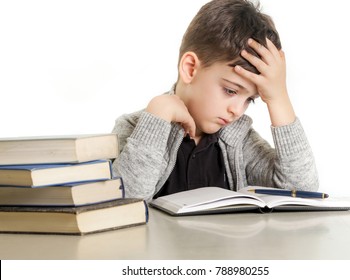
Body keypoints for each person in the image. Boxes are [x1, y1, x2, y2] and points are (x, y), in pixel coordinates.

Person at [112, 0, 319, 201]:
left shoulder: (239, 139)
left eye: (250, 100)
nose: (238, 110)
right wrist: (158, 115)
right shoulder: (133, 129)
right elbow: (123, 203)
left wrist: (278, 98)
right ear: (190, 68)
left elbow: (301, 190)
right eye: (230, 90)